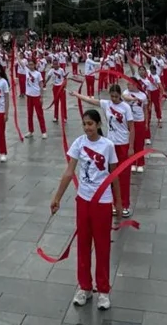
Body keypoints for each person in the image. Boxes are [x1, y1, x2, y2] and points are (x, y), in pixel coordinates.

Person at [50, 108, 122, 311]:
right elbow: (69, 172)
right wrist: (57, 197)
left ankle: (104, 291)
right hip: (83, 200)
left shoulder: (108, 145)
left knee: (102, 246)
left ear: (98, 124)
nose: (87, 127)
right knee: (83, 244)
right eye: (84, 124)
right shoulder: (79, 143)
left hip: (102, 203)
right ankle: (85, 287)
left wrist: (118, 202)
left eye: (90, 124)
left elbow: (114, 176)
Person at [72, 83, 137, 218]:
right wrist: (76, 94)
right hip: (110, 145)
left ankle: (125, 204)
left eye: (116, 96)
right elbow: (91, 100)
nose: (114, 99)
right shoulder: (107, 104)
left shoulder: (125, 107)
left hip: (123, 144)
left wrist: (131, 147)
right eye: (112, 96)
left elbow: (132, 127)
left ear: (120, 95)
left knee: (124, 176)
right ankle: (112, 203)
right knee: (110, 175)